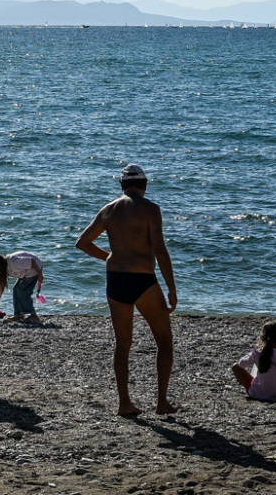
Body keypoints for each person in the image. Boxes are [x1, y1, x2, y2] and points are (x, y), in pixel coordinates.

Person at [75, 163, 177, 417]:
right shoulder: (150, 209)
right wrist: (171, 287)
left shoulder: (108, 210)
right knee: (164, 341)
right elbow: (160, 250)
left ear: (122, 185)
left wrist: (110, 256)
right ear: (144, 185)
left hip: (116, 278)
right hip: (142, 279)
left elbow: (83, 243)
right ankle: (161, 402)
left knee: (123, 344)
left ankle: (124, 403)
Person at [231, 321, 276, 401]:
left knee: (235, 367)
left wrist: (252, 354)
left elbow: (241, 364)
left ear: (263, 337)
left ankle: (260, 387)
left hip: (259, 394)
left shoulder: (258, 353)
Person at [0, 251, 44, 324]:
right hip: (25, 271)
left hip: (35, 269)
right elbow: (1, 287)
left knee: (22, 291)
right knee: (16, 289)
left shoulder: (14, 261)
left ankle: (33, 315)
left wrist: (40, 275)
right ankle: (18, 315)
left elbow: (32, 262)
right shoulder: (4, 269)